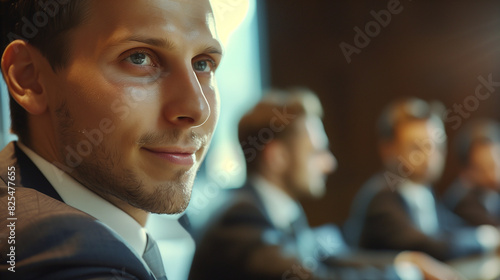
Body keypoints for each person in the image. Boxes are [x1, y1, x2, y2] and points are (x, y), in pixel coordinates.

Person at [0, 0, 223, 279]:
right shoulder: (71, 262)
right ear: (29, 77)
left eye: (203, 64)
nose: (197, 109)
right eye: (139, 58)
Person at [189, 89, 462, 280]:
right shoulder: (239, 218)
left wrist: (403, 260)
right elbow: (314, 277)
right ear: (278, 157)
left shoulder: (277, 210)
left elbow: (330, 258)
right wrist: (404, 274)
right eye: (317, 152)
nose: (330, 163)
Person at [345, 97, 500, 262]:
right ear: (388, 149)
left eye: (435, 146)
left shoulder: (423, 190)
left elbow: (449, 229)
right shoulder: (381, 199)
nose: (429, 157)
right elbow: (429, 247)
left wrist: (485, 233)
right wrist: (487, 239)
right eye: (416, 148)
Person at [443, 119, 500, 226]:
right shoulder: (462, 204)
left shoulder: (493, 192)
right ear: (465, 172)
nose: (493, 176)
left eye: (494, 166)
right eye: (482, 170)